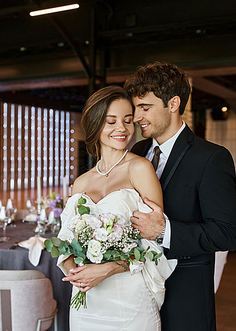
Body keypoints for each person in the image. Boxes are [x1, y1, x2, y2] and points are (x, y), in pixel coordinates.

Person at [124, 62, 236, 331]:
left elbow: (227, 233)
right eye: (135, 108)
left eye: (145, 108)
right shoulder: (137, 151)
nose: (137, 117)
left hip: (185, 294)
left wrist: (165, 231)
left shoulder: (212, 157)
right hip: (135, 292)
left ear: (173, 103)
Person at [58, 85, 175, 330]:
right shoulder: (81, 182)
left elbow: (154, 241)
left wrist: (108, 269)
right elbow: (65, 242)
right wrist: (74, 273)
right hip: (87, 303)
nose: (121, 129)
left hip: (129, 301)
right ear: (95, 125)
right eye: (111, 122)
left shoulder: (140, 169)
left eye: (127, 120)